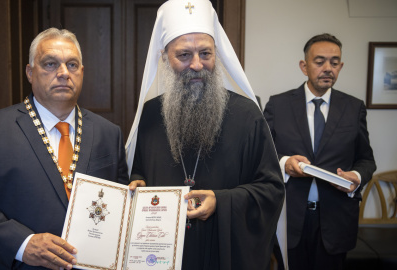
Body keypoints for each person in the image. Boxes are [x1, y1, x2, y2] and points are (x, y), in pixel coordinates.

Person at [0, 28, 128, 270]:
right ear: (30, 72)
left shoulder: (109, 133)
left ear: (82, 73)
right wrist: (23, 244)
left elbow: (120, 202)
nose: (63, 73)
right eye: (50, 64)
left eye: (72, 65)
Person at [125, 1, 285, 269]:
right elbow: (140, 169)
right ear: (165, 58)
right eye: (184, 55)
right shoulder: (151, 115)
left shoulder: (247, 116)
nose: (197, 65)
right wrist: (138, 181)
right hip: (161, 256)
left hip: (223, 256)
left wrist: (221, 202)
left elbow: (271, 190)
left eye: (206, 54)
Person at [263, 33, 376, 270]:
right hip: (289, 218)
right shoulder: (278, 105)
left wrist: (355, 178)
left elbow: (366, 160)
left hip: (336, 221)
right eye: (320, 61)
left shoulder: (354, 108)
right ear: (304, 66)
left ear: (341, 66)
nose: (328, 68)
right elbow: (262, 155)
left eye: (334, 63)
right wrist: (285, 163)